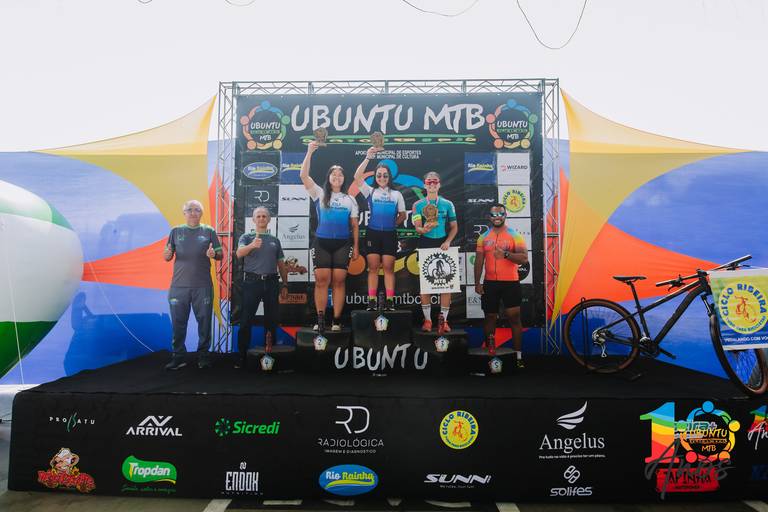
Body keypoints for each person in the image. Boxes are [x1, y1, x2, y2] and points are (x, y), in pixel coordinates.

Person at [301, 141, 360, 332]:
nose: (337, 176)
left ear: (344, 179)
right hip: (322, 242)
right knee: (321, 281)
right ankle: (320, 319)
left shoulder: (350, 199)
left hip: (343, 243)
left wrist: (356, 247)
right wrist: (309, 152)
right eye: (334, 174)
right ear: (329, 177)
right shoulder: (319, 193)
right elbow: (303, 176)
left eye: (340, 174)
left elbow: (354, 225)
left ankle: (336, 320)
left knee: (339, 281)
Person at [162, 199, 222, 370]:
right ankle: (178, 357)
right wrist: (167, 254)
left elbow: (220, 255)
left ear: (201, 213)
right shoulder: (175, 231)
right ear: (184, 213)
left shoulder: (209, 231)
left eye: (197, 209)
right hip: (178, 287)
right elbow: (167, 256)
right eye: (190, 209)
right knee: (178, 323)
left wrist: (213, 254)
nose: (193, 212)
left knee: (204, 324)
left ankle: (203, 357)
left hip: (202, 286)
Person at [474, 203, 528, 369]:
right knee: (490, 317)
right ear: (489, 217)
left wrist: (505, 254)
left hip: (510, 283)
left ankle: (518, 357)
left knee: (514, 319)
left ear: (505, 215)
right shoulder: (483, 237)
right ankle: (490, 353)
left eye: (500, 214)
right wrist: (477, 282)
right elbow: (479, 261)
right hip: (490, 283)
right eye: (494, 214)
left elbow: (524, 258)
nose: (497, 217)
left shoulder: (514, 235)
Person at [235, 207, 289, 369]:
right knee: (246, 320)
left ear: (269, 219)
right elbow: (239, 253)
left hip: (271, 282)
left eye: (264, 216)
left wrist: (285, 284)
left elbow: (281, 264)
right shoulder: (246, 237)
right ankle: (242, 356)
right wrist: (252, 245)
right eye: (258, 216)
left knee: (271, 320)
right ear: (253, 219)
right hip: (252, 282)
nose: (261, 218)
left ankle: (269, 354)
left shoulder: (275, 240)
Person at [353, 147, 406, 312]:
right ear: (375, 177)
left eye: (385, 175)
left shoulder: (397, 194)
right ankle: (371, 301)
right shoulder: (370, 191)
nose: (382, 178)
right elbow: (357, 177)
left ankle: (390, 302)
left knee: (389, 268)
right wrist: (368, 157)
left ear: (389, 177)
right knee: (373, 268)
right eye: (379, 175)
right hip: (373, 234)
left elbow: (403, 215)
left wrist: (392, 225)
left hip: (390, 235)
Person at [411, 171, 458, 333]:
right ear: (424, 185)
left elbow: (454, 227)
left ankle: (444, 320)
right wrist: (423, 229)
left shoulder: (448, 204)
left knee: (446, 284)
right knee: (426, 285)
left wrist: (448, 241)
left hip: (443, 244)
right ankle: (428, 320)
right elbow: (417, 227)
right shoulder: (417, 205)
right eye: (429, 182)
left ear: (439, 184)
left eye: (435, 182)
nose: (432, 184)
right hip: (425, 243)